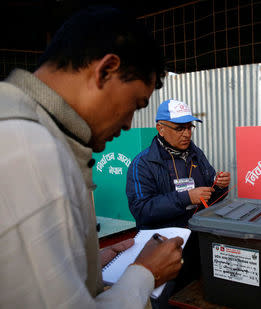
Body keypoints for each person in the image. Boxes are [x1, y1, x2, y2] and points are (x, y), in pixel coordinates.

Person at [0, 7, 184, 309]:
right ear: (106, 70)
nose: (128, 124)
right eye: (136, 104)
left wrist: (84, 261)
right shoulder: (30, 153)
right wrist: (144, 274)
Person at [126, 99, 231, 307]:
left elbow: (211, 196)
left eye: (189, 127)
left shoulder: (196, 154)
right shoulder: (143, 164)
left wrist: (219, 186)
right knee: (165, 302)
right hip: (162, 252)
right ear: (161, 129)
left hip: (196, 247)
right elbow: (141, 210)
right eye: (179, 128)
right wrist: (185, 198)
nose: (187, 134)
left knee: (195, 298)